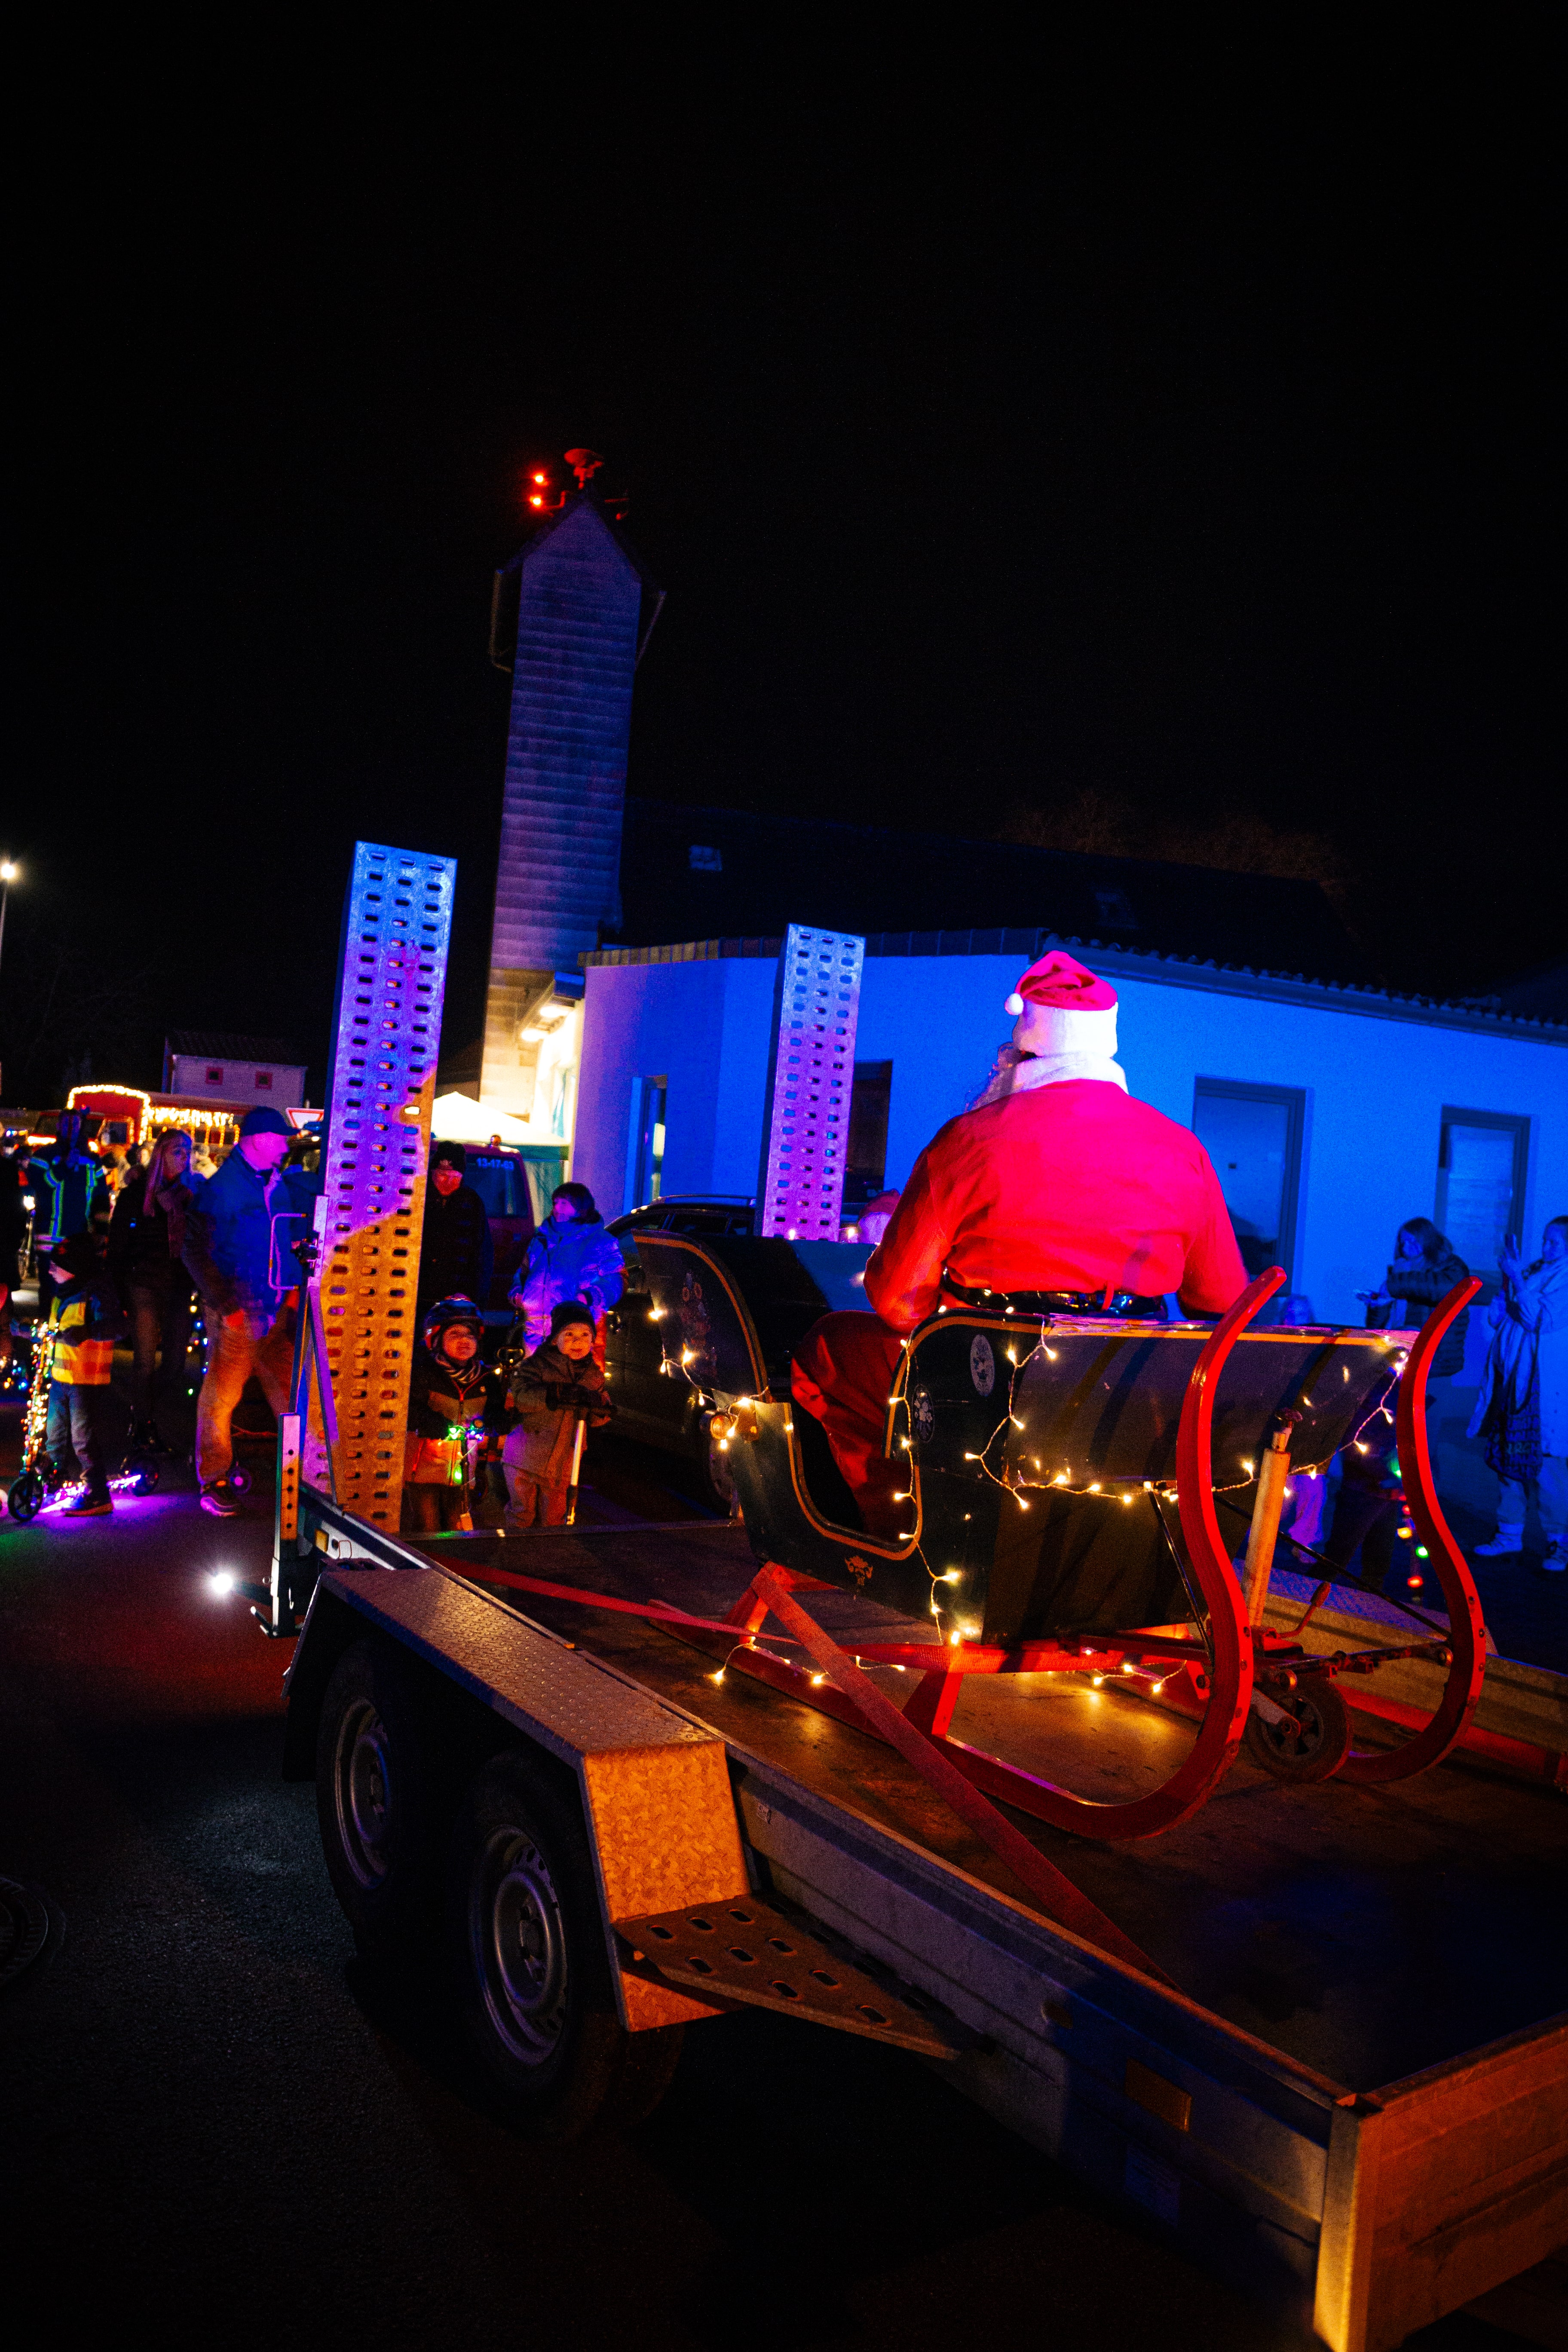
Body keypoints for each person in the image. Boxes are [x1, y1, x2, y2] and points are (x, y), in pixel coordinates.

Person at [792, 950, 1248, 1535]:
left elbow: (896, 1302)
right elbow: (1221, 1299)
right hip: (1130, 1397)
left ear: (1021, 1052)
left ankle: (901, 1531)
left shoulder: (968, 1139)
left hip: (995, 1391)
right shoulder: (1181, 1148)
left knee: (828, 1351)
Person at [181, 1106, 313, 1517]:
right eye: (279, 1139)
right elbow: (195, 1251)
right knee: (223, 1396)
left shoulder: (276, 1184)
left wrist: (291, 1298)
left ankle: (306, 1479)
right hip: (241, 1307)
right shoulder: (222, 1188)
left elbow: (290, 1241)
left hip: (274, 1307)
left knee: (292, 1396)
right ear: (256, 1139)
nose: (285, 1146)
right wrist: (227, 1306)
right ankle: (214, 1480)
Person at [1468, 1215, 1568, 1568]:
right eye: (1545, 1240)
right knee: (1508, 1456)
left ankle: (1559, 1542)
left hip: (1544, 1388)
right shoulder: (1536, 1270)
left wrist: (1514, 1279)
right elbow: (1501, 1316)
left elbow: (1537, 1319)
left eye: (1555, 1242)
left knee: (1546, 1466)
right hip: (1512, 1381)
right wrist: (1508, 1285)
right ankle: (1509, 1534)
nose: (1546, 1247)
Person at [107, 1128, 200, 1450]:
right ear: (162, 1153)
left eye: (188, 1151)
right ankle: (142, 1429)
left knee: (174, 1363)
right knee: (144, 1361)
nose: (184, 1157)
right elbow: (119, 1244)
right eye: (178, 1150)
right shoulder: (139, 1194)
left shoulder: (190, 1196)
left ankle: (143, 1412)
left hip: (178, 1286)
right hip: (144, 1284)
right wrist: (118, 1291)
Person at [502, 1299, 614, 1528]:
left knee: (554, 1519)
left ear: (593, 1341)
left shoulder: (594, 1377)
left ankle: (549, 1557)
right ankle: (514, 1553)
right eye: (569, 1334)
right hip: (526, 1456)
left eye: (585, 1336)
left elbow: (599, 1417)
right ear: (555, 1338)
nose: (577, 1342)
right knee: (521, 1514)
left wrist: (600, 1408)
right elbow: (521, 1396)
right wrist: (553, 1393)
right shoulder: (537, 1365)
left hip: (565, 1462)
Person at [42, 1231, 127, 1516]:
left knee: (82, 1438)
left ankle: (97, 1494)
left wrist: (88, 1332)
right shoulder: (62, 1293)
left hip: (85, 1380)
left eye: (56, 1265)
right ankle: (52, 1483)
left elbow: (118, 1328)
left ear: (74, 1268)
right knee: (53, 1434)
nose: (51, 1269)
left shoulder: (96, 1292)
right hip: (61, 1378)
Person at [403, 1296, 490, 1534]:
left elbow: (496, 1412)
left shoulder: (486, 1378)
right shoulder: (424, 1373)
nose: (464, 1341)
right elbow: (411, 1410)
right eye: (455, 1335)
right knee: (428, 1528)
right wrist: (437, 1425)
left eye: (470, 1335)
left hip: (464, 1470)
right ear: (437, 1339)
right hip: (423, 1471)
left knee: (459, 1527)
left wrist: (491, 1425)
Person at [510, 1181, 624, 1357]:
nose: (557, 1208)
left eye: (564, 1203)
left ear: (581, 1207)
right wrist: (518, 1293)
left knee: (565, 1380)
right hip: (534, 1330)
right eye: (555, 1203)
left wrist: (589, 1297)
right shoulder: (542, 1238)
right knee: (531, 1381)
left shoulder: (601, 1241)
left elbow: (613, 1281)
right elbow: (524, 1271)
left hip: (573, 1329)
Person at [1357, 1218, 1472, 1376]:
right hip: (1398, 1351)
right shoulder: (1400, 1268)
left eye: (1412, 1241)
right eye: (1403, 1242)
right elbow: (1378, 1328)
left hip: (1435, 1354)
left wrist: (1395, 1285)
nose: (1406, 1247)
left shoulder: (1450, 1265)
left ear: (1427, 1240)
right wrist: (1379, 1306)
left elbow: (1446, 1288)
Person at [417, 1141, 493, 1311]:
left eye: (455, 1177)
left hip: (457, 1296)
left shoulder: (472, 1202)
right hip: (419, 1293)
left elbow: (483, 1254)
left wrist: (478, 1297)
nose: (448, 1182)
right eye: (443, 1176)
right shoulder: (418, 1199)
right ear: (432, 1173)